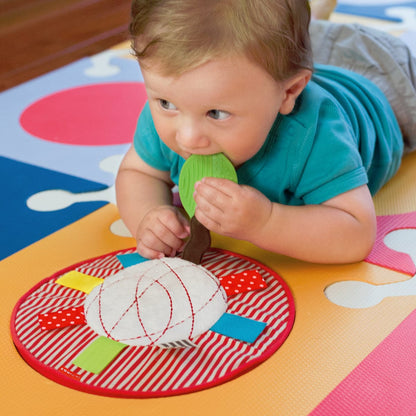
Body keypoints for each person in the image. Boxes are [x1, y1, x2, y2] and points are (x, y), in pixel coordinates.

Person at [116, 0, 416, 264]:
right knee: (284, 49)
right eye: (166, 103)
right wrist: (148, 215)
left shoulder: (314, 135)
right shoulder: (184, 103)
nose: (187, 137)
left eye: (216, 113)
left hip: (386, 87)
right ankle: (313, 27)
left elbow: (357, 233)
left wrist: (265, 222)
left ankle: (319, 29)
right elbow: (138, 172)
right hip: (284, 69)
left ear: (289, 93)